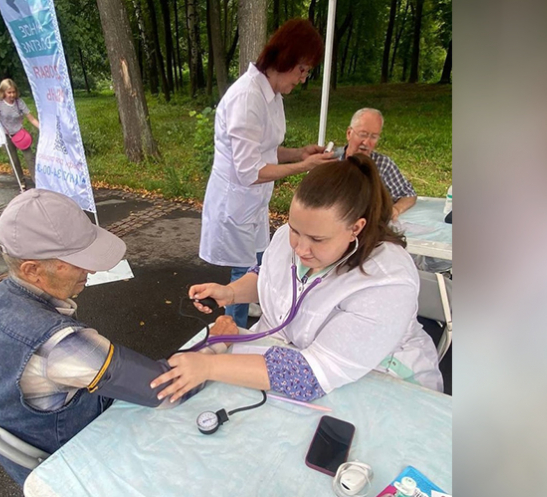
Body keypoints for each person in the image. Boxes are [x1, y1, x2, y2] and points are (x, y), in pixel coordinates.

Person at [0, 189, 215, 485]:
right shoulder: (60, 344)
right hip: (69, 455)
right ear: (32, 270)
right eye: (77, 261)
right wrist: (216, 343)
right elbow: (166, 389)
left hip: (23, 438)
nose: (92, 269)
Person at [152, 155, 444, 404]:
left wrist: (209, 366)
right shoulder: (289, 238)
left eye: (317, 239)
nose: (301, 249)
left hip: (381, 380)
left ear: (356, 228)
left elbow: (310, 374)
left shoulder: (387, 281)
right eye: (295, 230)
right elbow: (270, 276)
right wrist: (230, 293)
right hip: (292, 354)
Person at [199, 19, 335, 330]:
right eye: (302, 69)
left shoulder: (272, 95)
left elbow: (266, 150)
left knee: (261, 259)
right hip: (236, 200)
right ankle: (232, 331)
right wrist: (305, 166)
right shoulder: (247, 98)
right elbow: (250, 171)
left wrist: (300, 153)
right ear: (285, 59)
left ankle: (251, 311)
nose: (303, 78)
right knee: (243, 268)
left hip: (253, 201)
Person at [336, 108, 417, 220]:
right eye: (363, 135)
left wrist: (396, 209)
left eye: (374, 137)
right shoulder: (329, 160)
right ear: (349, 133)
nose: (366, 142)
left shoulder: (383, 164)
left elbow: (408, 194)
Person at [0, 78, 40, 191]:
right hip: (6, 135)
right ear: (3, 92)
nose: (12, 95)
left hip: (19, 134)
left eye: (13, 92)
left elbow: (31, 118)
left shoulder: (19, 102)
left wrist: (42, 128)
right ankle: (21, 182)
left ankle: (37, 181)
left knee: (30, 157)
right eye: (9, 92)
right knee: (14, 160)